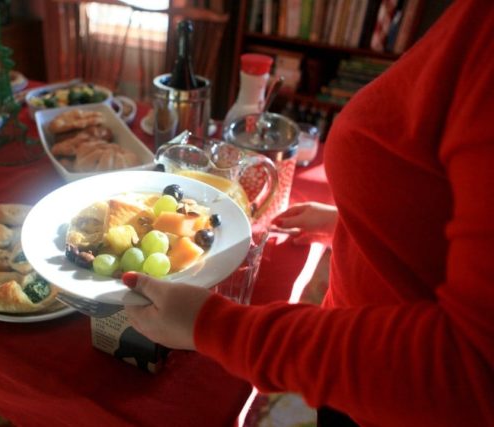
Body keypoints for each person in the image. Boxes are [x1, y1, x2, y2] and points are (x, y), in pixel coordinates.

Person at [121, 1, 494, 426]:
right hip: (353, 365)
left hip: (384, 392)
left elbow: (472, 373)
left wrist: (215, 327)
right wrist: (354, 224)